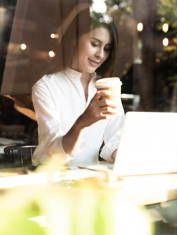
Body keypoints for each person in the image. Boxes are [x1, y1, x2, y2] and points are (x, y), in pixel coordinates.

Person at [31, 6, 125, 166]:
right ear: (74, 39)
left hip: (87, 182)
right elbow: (54, 153)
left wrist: (130, 157)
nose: (101, 55)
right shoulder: (46, 86)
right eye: (95, 44)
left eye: (107, 49)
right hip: (50, 180)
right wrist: (81, 123)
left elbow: (116, 141)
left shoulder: (105, 87)